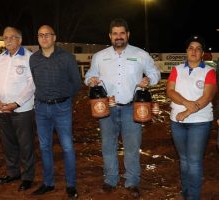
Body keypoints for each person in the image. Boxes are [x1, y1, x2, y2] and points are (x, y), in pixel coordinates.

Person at [84, 18, 160, 198]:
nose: (119, 37)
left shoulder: (140, 54)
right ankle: (110, 179)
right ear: (110, 36)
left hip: (131, 108)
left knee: (132, 147)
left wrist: (149, 80)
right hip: (106, 108)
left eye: (122, 33)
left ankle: (132, 181)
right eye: (115, 33)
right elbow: (89, 75)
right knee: (108, 146)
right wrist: (91, 80)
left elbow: (155, 72)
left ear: (128, 35)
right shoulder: (100, 56)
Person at [29, 25, 81, 199]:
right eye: (40, 35)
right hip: (41, 109)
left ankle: (71, 185)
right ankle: (48, 183)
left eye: (47, 35)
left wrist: (63, 97)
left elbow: (76, 83)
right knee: (44, 147)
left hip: (62, 108)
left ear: (54, 37)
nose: (44, 38)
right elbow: (36, 81)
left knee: (67, 147)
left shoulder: (67, 57)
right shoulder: (34, 59)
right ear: (37, 38)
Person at [166, 36, 217, 200]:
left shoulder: (209, 71)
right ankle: (186, 192)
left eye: (198, 48)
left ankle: (193, 197)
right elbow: (170, 91)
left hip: (199, 122)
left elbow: (207, 96)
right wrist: (186, 103)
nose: (194, 51)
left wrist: (187, 112)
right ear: (186, 51)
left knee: (194, 161)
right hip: (177, 122)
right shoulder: (177, 69)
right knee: (184, 160)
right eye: (191, 48)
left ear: (202, 53)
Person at [0, 27, 35, 191]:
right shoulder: (1, 58)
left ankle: (27, 176)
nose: (8, 40)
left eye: (12, 37)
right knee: (8, 144)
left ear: (20, 39)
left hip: (22, 110)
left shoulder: (29, 57)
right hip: (2, 109)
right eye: (5, 37)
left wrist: (16, 103)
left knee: (26, 145)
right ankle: (13, 172)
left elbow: (32, 85)